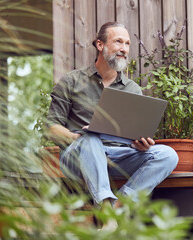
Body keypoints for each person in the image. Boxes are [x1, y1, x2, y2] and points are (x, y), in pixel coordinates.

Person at [46, 22, 178, 213]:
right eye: (118, 42)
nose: (124, 49)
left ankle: (120, 207)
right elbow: (51, 128)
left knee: (167, 155)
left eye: (127, 44)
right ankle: (105, 209)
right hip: (78, 157)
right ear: (100, 45)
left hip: (118, 157)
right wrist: (78, 139)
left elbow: (133, 135)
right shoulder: (71, 81)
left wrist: (140, 144)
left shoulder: (132, 89)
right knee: (91, 138)